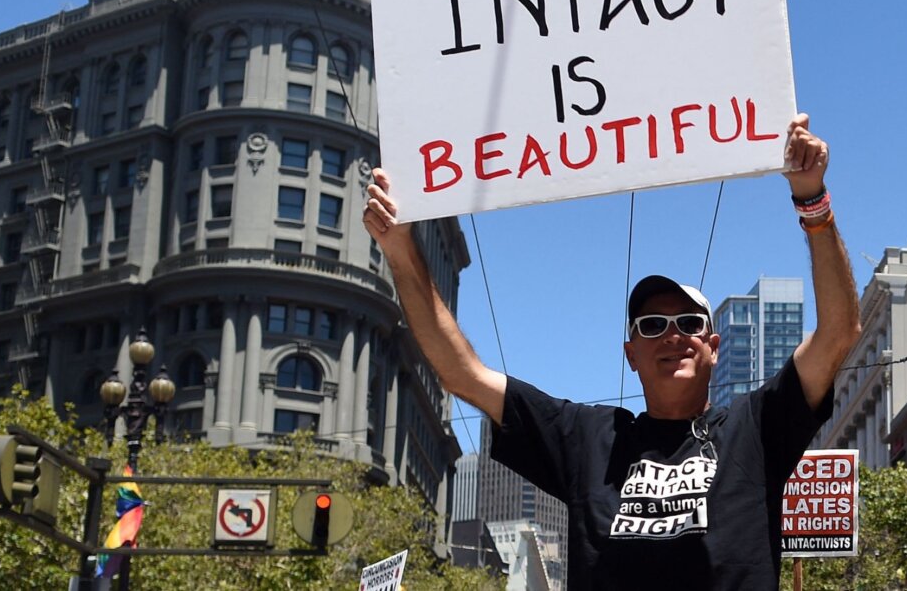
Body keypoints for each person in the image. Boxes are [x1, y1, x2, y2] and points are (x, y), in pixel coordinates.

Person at [363, 113, 861, 590]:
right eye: (652, 325)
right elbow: (462, 374)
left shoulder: (757, 429)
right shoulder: (585, 439)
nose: (672, 335)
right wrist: (401, 249)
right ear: (631, 354)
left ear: (713, 346)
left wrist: (812, 199)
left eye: (689, 323)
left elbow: (839, 330)